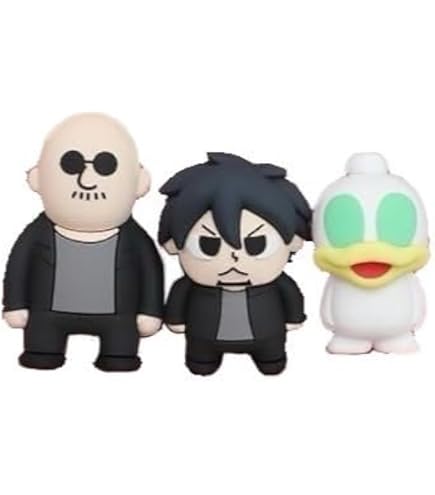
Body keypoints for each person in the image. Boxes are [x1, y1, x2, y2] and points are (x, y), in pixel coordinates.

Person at [3, 113, 164, 371]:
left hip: (119, 319)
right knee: (41, 348)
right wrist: (15, 304)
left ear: (139, 182)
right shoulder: (36, 234)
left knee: (120, 352)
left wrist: (150, 311)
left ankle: (118, 356)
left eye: (105, 166)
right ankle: (43, 350)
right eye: (72, 165)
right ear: (38, 178)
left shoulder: (135, 239)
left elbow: (151, 272)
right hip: (46, 316)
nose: (87, 180)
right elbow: (18, 268)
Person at [159, 152, 311, 375]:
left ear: (294, 241)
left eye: (257, 245)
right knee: (200, 362)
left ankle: (271, 359)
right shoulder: (190, 285)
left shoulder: (278, 283)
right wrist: (175, 319)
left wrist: (294, 317)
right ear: (173, 244)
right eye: (208, 245)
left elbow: (291, 295)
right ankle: (203, 361)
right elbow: (179, 296)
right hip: (203, 337)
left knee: (272, 360)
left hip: (268, 336)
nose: (234, 257)